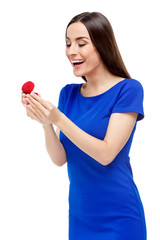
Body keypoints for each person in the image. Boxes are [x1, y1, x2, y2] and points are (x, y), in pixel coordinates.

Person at [21, 12, 147, 240]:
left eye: (81, 43)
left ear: (102, 44)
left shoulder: (129, 89)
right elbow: (60, 159)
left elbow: (106, 153)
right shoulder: (68, 94)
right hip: (80, 217)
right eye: (68, 43)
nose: (71, 51)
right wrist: (46, 123)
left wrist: (58, 118)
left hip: (119, 218)